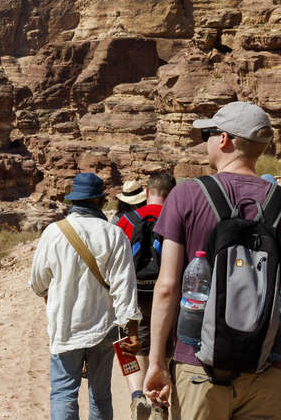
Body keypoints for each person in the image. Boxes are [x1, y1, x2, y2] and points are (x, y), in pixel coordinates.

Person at [144, 102, 281, 420]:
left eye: (208, 133)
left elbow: (167, 287)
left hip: (199, 367)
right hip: (267, 369)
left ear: (225, 139)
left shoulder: (187, 195)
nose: (205, 141)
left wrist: (157, 362)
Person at [31, 172, 142, 420]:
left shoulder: (53, 232)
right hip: (104, 328)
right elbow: (124, 287)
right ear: (100, 201)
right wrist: (131, 329)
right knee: (100, 394)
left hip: (65, 327)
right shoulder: (114, 235)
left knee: (63, 393)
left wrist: (53, 298)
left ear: (74, 201)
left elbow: (38, 281)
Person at [114, 172, 175, 420]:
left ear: (147, 192)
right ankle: (159, 402)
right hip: (167, 295)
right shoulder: (175, 218)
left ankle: (137, 395)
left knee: (130, 346)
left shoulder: (126, 220)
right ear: (171, 195)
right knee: (164, 346)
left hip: (133, 295)